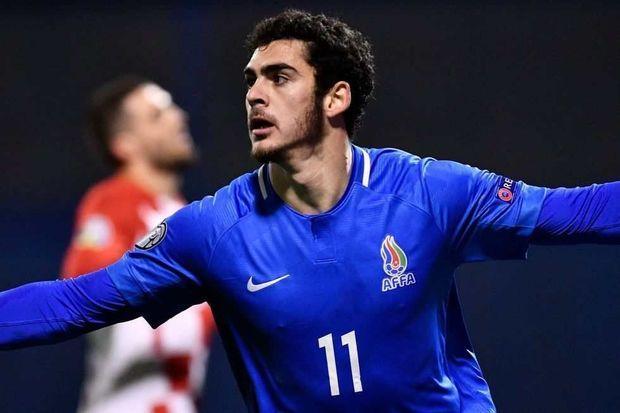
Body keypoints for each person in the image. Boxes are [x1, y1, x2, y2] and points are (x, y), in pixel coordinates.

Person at [0, 10, 618, 412]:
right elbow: (76, 302)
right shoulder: (213, 232)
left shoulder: (428, 192)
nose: (254, 94)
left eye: (279, 77)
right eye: (250, 80)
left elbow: (579, 212)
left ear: (335, 98)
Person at [61, 77, 216, 413]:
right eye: (158, 115)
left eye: (173, 108)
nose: (179, 117)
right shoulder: (114, 202)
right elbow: (79, 284)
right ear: (124, 145)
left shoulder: (186, 216)